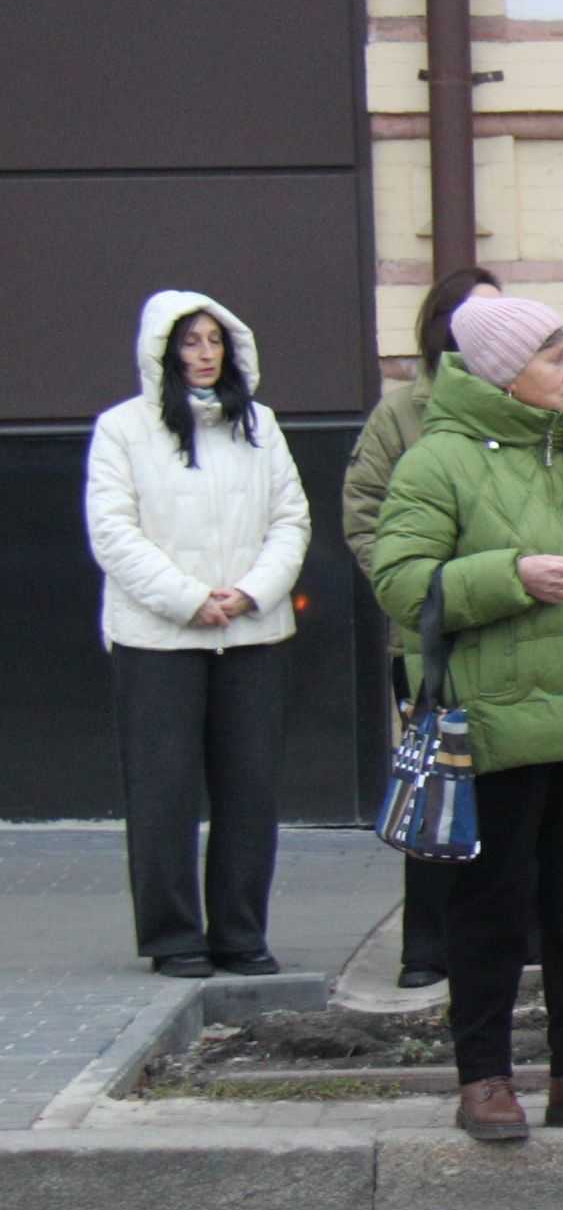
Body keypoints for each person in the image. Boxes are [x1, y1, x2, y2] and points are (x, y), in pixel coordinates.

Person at [371, 294, 563, 1141]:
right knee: (492, 910)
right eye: (554, 355)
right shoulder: (439, 461)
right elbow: (400, 581)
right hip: (501, 730)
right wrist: (509, 573)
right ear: (507, 373)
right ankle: (485, 1080)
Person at [86, 291, 311, 979]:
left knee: (250, 790)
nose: (205, 354)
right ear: (163, 350)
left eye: (215, 340)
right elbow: (113, 532)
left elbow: (290, 519)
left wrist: (251, 592)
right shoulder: (123, 429)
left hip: (252, 634)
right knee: (163, 792)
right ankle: (174, 936)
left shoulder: (260, 426)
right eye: (190, 342)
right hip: (157, 641)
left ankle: (241, 934)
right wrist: (188, 601)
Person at [343, 265, 503, 991]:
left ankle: (518, 938)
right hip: (431, 638)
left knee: (519, 795)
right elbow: (365, 515)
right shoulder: (401, 415)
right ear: (444, 327)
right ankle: (425, 949)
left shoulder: (528, 402)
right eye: (476, 316)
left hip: (517, 633)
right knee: (438, 786)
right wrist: (424, 591)